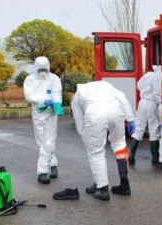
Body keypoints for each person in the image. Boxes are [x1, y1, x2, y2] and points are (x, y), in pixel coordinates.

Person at [71, 81, 136, 201]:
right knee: (119, 144)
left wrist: (84, 135)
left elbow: (78, 120)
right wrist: (130, 118)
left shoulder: (77, 95)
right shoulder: (106, 85)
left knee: (95, 152)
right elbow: (122, 97)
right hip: (116, 110)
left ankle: (102, 188)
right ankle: (124, 184)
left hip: (95, 113)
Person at [23, 56, 62, 184]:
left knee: (49, 140)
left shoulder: (54, 78)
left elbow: (57, 94)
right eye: (40, 70)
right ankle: (53, 164)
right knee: (41, 141)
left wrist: (56, 104)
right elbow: (28, 96)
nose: (43, 72)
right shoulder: (29, 79)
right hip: (38, 112)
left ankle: (42, 171)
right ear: (36, 68)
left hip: (51, 112)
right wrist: (41, 101)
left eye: (45, 69)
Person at [128, 70, 161, 165]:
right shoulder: (159, 77)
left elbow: (138, 85)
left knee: (138, 129)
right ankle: (155, 157)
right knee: (154, 130)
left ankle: (131, 154)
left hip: (142, 103)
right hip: (152, 104)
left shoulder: (148, 74)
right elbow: (158, 93)